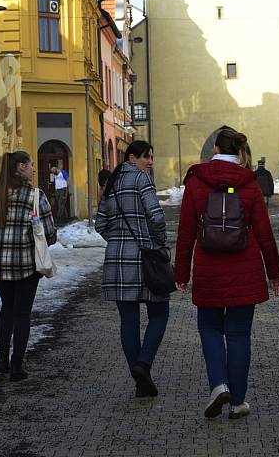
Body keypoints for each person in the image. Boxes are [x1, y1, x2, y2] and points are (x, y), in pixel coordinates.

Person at [174, 127, 279, 420]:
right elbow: (264, 234)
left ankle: (218, 384)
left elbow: (185, 233)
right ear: (239, 152)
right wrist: (275, 272)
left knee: (209, 329)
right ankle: (237, 401)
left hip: (209, 267)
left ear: (214, 150)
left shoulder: (197, 182)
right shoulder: (249, 184)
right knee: (238, 335)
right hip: (244, 268)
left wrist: (181, 272)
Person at [0, 151, 56, 381]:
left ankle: (2, 360)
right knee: (23, 313)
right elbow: (50, 234)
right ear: (22, 166)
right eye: (32, 165)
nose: (34, 169)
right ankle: (17, 366)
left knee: (7, 308)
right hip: (27, 265)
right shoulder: (35, 196)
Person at [95, 141, 169, 398]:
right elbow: (157, 217)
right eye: (146, 157)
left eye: (152, 157)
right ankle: (143, 363)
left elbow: (100, 223)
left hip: (117, 260)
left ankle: (140, 381)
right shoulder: (141, 179)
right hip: (145, 257)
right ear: (132, 157)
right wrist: (158, 242)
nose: (150, 162)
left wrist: (117, 242)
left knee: (129, 319)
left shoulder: (112, 182)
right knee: (160, 312)